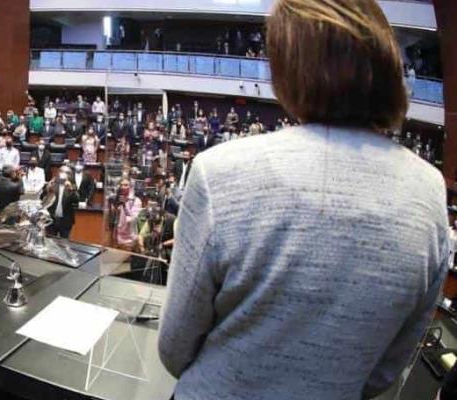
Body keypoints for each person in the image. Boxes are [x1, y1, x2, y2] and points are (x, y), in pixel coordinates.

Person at [157, 1, 448, 399]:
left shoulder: (218, 172)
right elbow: (386, 370)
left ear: (288, 68)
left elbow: (174, 349)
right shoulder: (430, 190)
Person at [44, 166, 79, 238]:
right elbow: (43, 198)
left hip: (65, 221)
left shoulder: (72, 186)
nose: (63, 174)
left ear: (70, 175)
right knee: (50, 243)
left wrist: (71, 189)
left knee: (65, 243)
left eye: (67, 173)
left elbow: (77, 199)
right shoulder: (53, 183)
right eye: (61, 171)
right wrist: (47, 189)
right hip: (51, 220)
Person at [111, 178, 141, 250]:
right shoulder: (118, 199)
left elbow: (131, 219)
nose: (123, 187)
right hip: (116, 237)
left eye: (126, 185)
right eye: (121, 185)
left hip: (129, 239)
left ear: (130, 187)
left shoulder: (136, 201)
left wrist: (124, 205)